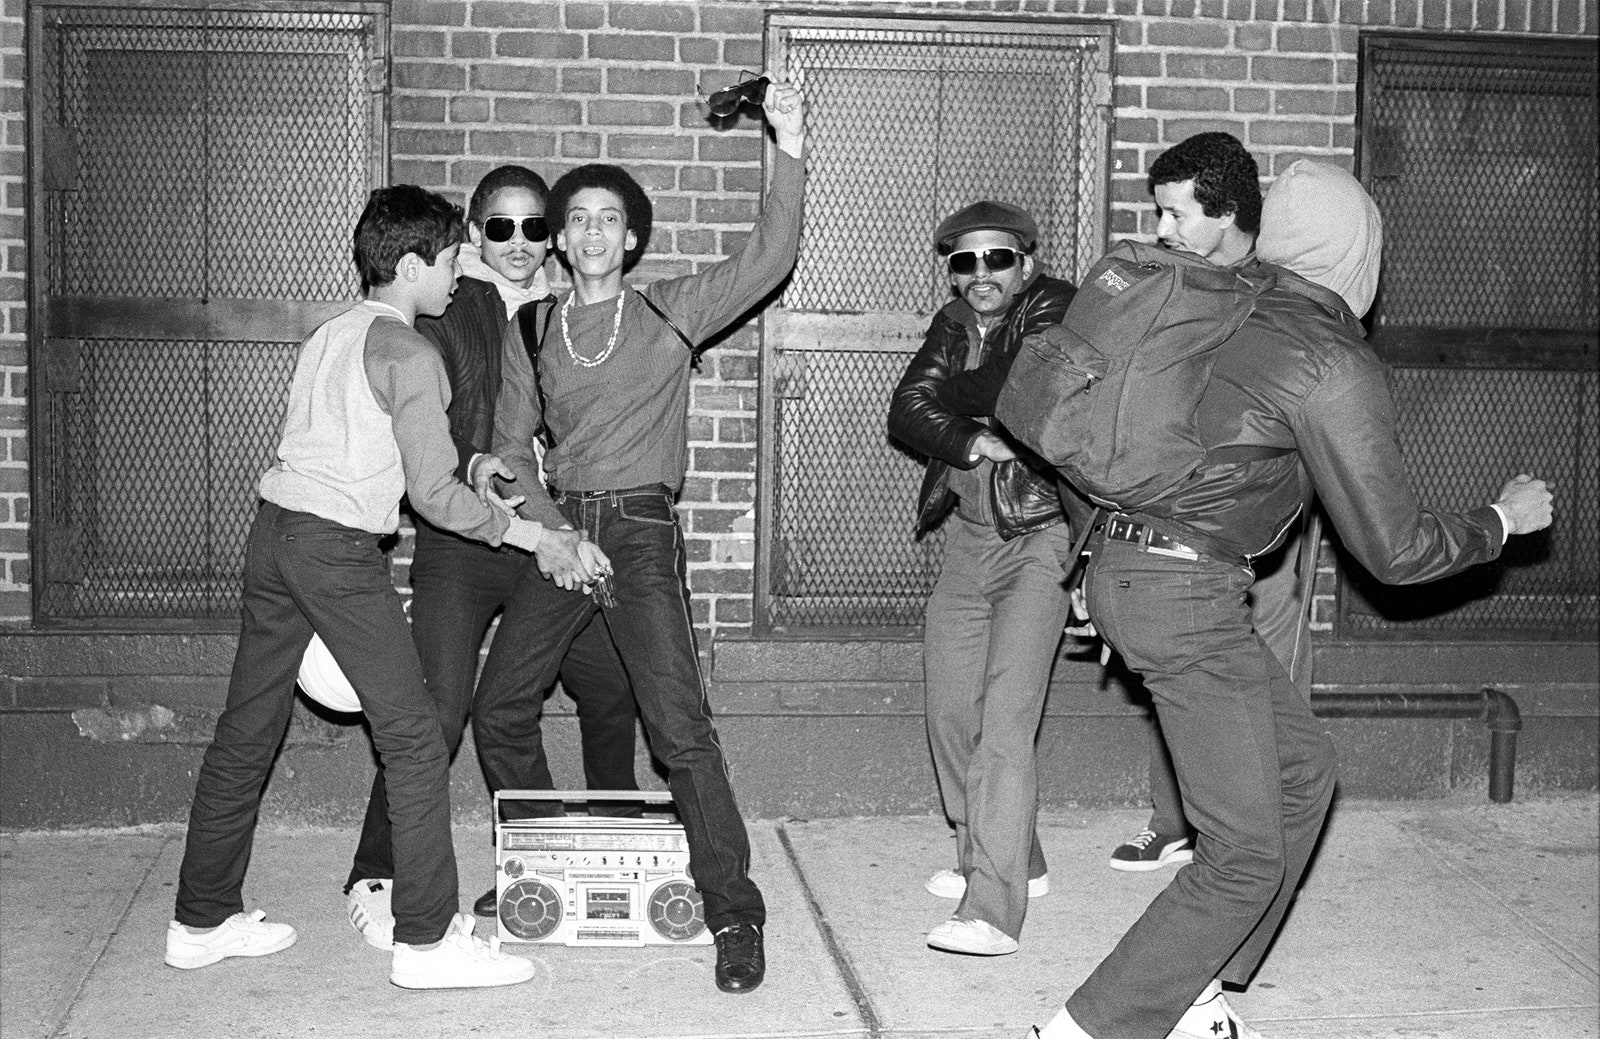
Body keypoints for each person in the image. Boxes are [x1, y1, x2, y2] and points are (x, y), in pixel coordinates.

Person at [1023, 160, 1554, 1039]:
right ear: (1360, 258)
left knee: (1303, 768)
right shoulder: (1329, 356)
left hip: (1134, 568)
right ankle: (1085, 1030)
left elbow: (1082, 435)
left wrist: (1099, 571)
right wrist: (1499, 521)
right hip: (1180, 590)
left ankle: (1198, 990)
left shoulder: (1211, 300)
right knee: (1243, 854)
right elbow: (1394, 549)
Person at [467, 79, 808, 995]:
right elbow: (508, 448)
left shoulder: (669, 313)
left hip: (643, 532)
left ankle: (734, 911)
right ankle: (535, 869)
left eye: (606, 219)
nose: (587, 233)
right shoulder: (532, 323)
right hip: (561, 532)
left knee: (679, 726)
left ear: (632, 237)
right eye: (573, 218)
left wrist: (787, 136)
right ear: (561, 235)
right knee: (499, 707)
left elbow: (770, 254)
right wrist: (549, 531)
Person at [167, 185, 549, 989]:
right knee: (414, 735)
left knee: (246, 730)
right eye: (452, 261)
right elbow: (436, 497)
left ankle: (199, 919)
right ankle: (424, 941)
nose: (460, 276)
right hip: (333, 550)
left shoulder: (333, 331)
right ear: (412, 266)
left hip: (272, 533)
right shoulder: (412, 352)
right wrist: (530, 532)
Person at [341, 166, 641, 950]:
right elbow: (432, 416)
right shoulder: (447, 302)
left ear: (552, 238)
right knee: (437, 710)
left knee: (610, 688)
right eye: (499, 228)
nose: (517, 242)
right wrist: (475, 460)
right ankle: (377, 868)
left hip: (552, 536)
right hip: (468, 539)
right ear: (474, 235)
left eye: (533, 228)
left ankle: (592, 859)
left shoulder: (569, 310)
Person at [1106, 133, 1314, 875]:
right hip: (1172, 546)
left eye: (1176, 215)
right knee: (1196, 699)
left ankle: (1247, 859)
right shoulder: (1173, 288)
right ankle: (1189, 830)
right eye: (1158, 213)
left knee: (1275, 728)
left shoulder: (1285, 302)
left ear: (1225, 215)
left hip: (1260, 538)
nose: (1161, 230)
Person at [886, 201, 1078, 956]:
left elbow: (1015, 387)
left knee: (1005, 720)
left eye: (996, 259)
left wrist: (969, 398)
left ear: (1025, 262)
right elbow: (906, 411)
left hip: (1041, 537)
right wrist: (977, 441)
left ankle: (992, 908)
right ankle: (1011, 854)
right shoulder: (952, 321)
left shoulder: (1058, 305)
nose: (979, 276)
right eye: (964, 263)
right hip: (970, 537)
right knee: (950, 710)